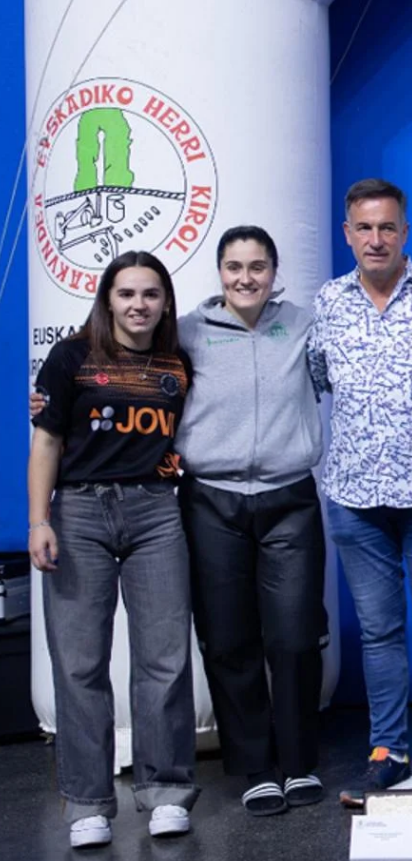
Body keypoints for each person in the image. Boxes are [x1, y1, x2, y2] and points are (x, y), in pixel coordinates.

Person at [310, 179, 412, 806]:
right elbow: (321, 379)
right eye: (364, 228)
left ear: (405, 232)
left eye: (388, 227)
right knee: (379, 631)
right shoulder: (328, 301)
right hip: (353, 491)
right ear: (347, 233)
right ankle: (391, 755)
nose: (376, 239)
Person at [29, 252, 197, 848]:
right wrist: (38, 520)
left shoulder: (180, 362)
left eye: (150, 294)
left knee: (165, 659)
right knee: (78, 665)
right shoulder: (71, 357)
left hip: (156, 511)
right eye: (126, 293)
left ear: (165, 302)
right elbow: (46, 440)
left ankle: (167, 793)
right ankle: (88, 804)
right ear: (107, 299)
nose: (138, 305)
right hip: (77, 514)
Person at [177, 227, 328, 815]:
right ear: (219, 272)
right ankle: (255, 767)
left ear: (274, 270)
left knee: (292, 638)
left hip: (289, 496)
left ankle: (297, 763)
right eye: (235, 267)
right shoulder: (188, 331)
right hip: (212, 499)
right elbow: (127, 361)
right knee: (229, 638)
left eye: (258, 267)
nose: (246, 278)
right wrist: (55, 395)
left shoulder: (304, 323)